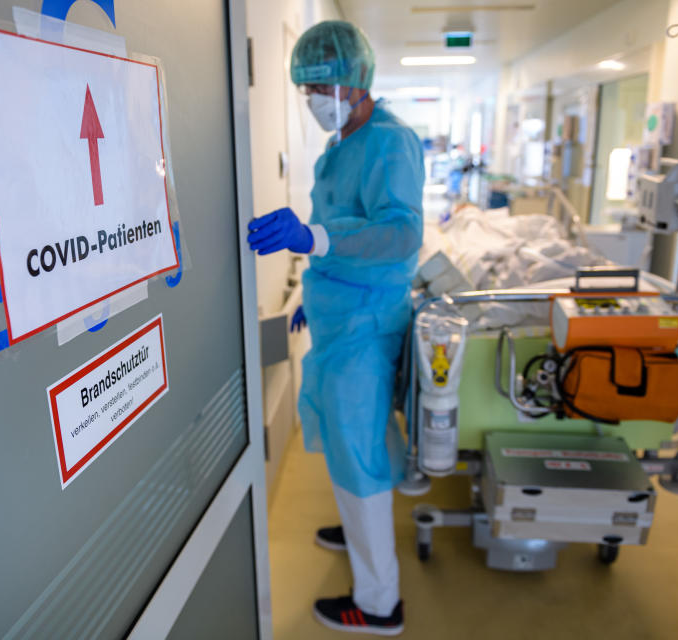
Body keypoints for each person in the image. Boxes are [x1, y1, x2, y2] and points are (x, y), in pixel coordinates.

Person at [247, 20, 424, 637]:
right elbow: (338, 236)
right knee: (352, 442)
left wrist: (313, 238)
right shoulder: (341, 145)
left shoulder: (389, 142)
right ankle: (356, 529)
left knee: (360, 456)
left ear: (353, 82)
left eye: (319, 85)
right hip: (340, 315)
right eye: (305, 89)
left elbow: (400, 232)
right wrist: (310, 293)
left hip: (367, 323)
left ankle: (379, 604)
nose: (311, 99)